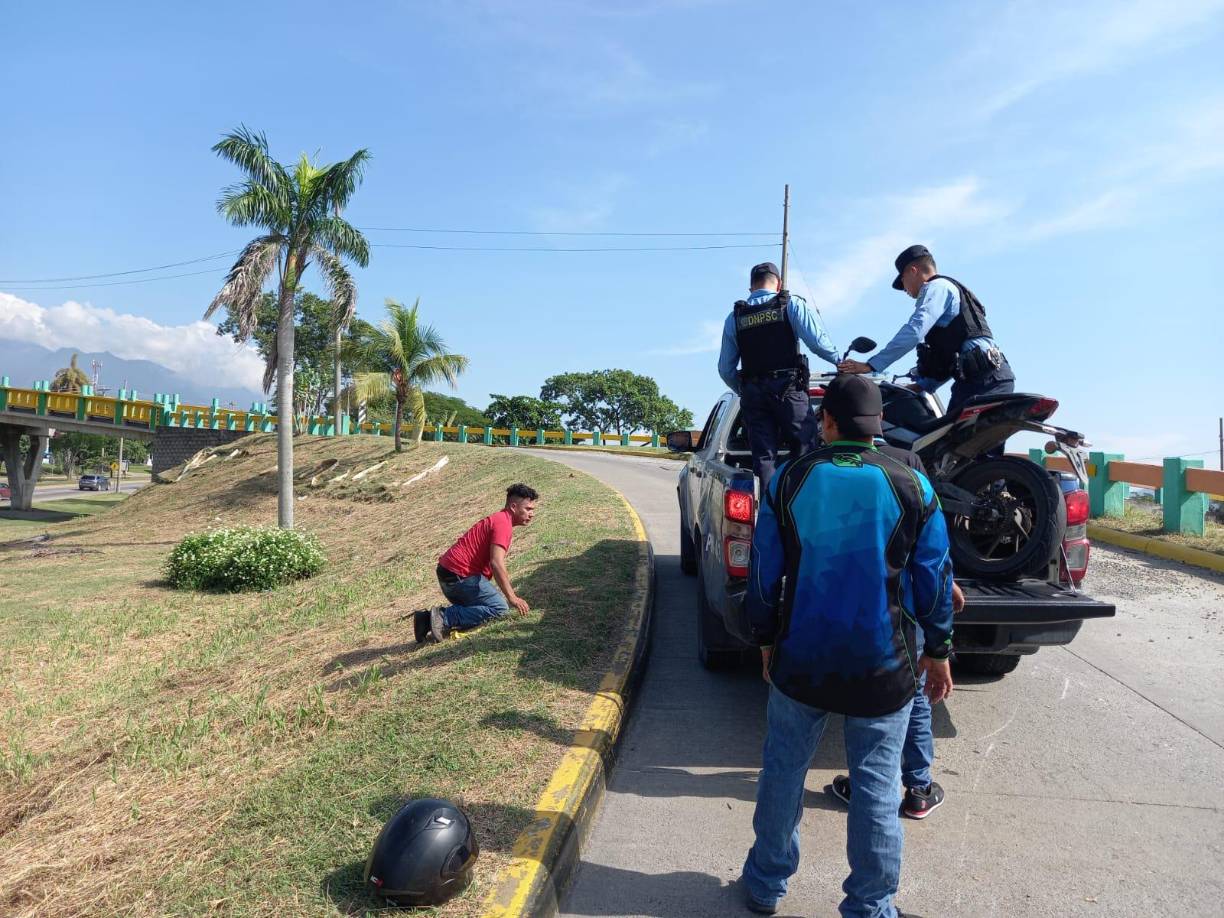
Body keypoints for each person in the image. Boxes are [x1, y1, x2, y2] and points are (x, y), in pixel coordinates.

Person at [740, 373, 954, 918]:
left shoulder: (790, 478)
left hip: (801, 658)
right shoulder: (912, 483)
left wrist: (764, 638)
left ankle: (765, 886)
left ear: (827, 421)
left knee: (783, 771)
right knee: (878, 788)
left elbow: (765, 572)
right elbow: (933, 578)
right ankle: (870, 905)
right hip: (884, 668)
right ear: (879, 423)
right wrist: (940, 649)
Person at [838, 245, 1015, 423]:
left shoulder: (936, 287)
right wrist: (921, 386)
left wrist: (871, 365)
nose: (904, 289)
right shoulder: (951, 292)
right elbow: (950, 357)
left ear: (913, 271)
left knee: (950, 446)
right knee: (976, 449)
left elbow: (915, 330)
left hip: (981, 381)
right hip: (991, 378)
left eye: (902, 281)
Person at [717, 261, 839, 492]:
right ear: (779, 283)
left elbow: (725, 369)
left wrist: (745, 390)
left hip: (754, 393)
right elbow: (817, 343)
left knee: (764, 456)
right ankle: (805, 507)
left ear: (751, 288)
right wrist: (840, 362)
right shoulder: (790, 304)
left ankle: (770, 512)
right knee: (805, 449)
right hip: (788, 389)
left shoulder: (734, 317)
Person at [417, 483, 539, 643]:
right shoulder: (503, 524)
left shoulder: (499, 519)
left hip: (448, 574)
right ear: (514, 507)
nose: (531, 514)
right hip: (459, 576)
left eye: (533, 510)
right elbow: (497, 563)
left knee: (490, 604)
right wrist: (512, 597)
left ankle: (425, 620)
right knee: (500, 608)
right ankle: (444, 616)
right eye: (528, 509)